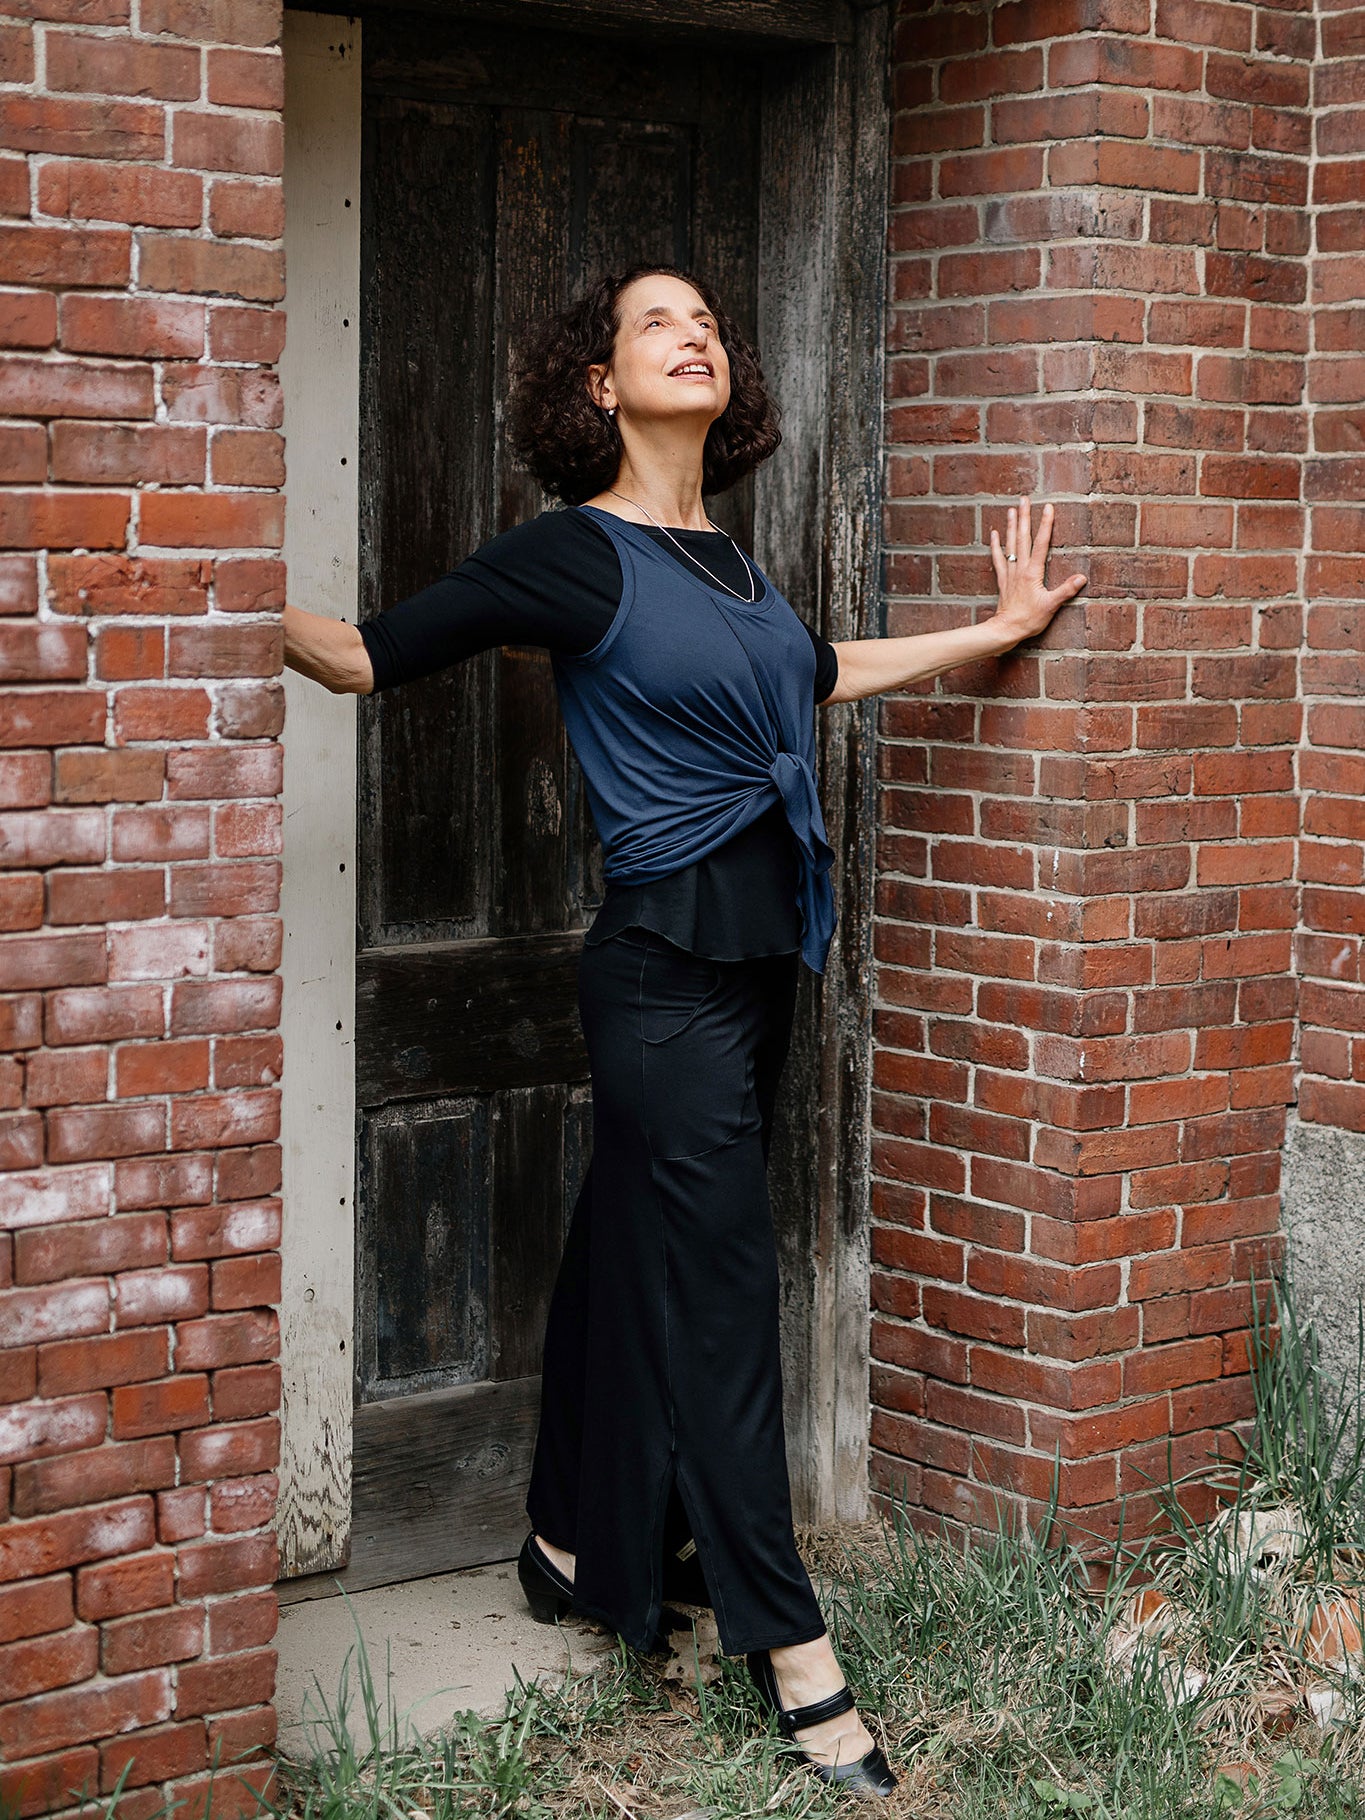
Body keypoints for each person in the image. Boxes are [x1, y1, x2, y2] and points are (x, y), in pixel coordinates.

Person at [283, 263, 1086, 1796]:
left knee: (624, 1242)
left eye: (707, 319)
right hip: (658, 973)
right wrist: (193, 584)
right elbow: (362, 654)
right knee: (720, 1295)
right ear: (599, 383)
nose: (693, 333)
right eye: (657, 320)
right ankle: (793, 1652)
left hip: (756, 963)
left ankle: (566, 1541)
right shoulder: (571, 556)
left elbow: (814, 677)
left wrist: (990, 631)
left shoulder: (727, 563)